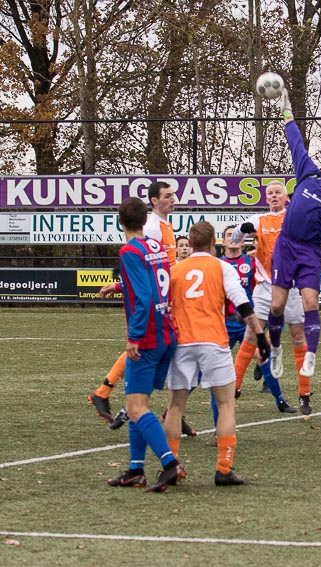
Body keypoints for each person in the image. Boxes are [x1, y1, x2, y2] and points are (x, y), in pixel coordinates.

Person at [163, 221, 270, 486]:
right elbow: (242, 304)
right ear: (213, 243)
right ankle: (223, 468)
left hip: (183, 342)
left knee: (175, 407)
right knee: (225, 404)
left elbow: (163, 306)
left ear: (190, 243)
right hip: (213, 341)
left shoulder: (175, 270)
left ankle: (171, 464)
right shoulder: (221, 267)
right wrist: (260, 336)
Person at [93, 182, 196, 436]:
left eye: (173, 195)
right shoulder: (150, 228)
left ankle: (167, 411)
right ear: (154, 201)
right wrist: (121, 285)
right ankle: (117, 398)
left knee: (181, 355)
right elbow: (146, 273)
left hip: (167, 297)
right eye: (167, 196)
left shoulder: (164, 225)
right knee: (178, 352)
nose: (173, 199)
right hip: (162, 302)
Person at [268, 90, 321, 386]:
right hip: (285, 245)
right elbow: (296, 142)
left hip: (309, 252)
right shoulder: (308, 174)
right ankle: (276, 349)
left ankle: (311, 356)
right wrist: (287, 114)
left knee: (310, 303)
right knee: (277, 306)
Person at [98, 196, 185, 492]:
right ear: (146, 221)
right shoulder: (156, 246)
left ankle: (170, 463)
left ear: (120, 222)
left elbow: (145, 296)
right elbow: (155, 283)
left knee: (135, 407)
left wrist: (133, 337)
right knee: (137, 405)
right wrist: (119, 285)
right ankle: (136, 470)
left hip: (147, 337)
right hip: (166, 332)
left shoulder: (129, 251)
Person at [229, 182, 300, 413]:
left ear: (286, 197)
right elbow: (235, 237)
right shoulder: (259, 220)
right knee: (251, 335)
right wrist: (243, 230)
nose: (274, 196)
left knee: (296, 336)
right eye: (270, 193)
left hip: (289, 286)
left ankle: (304, 393)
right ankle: (235, 386)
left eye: (278, 192)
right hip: (264, 287)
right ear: (266, 198)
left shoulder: (294, 217)